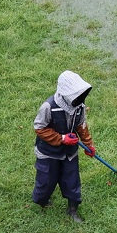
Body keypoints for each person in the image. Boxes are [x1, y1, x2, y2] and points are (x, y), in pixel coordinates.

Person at [32, 70, 95, 222]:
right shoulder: (49, 106)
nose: (80, 99)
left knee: (72, 180)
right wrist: (61, 138)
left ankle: (72, 209)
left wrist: (88, 144)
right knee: (46, 180)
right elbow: (39, 128)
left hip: (69, 153)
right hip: (48, 152)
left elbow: (81, 124)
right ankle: (42, 200)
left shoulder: (79, 106)